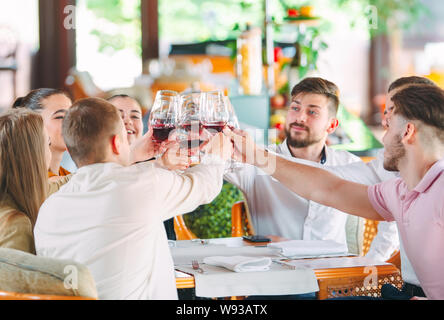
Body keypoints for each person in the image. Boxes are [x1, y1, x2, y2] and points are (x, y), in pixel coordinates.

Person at [230, 84, 444, 299]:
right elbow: (329, 188)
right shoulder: (397, 191)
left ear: (407, 132)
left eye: (388, 126)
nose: (384, 137)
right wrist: (255, 155)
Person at [34, 97, 233, 300]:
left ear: (70, 148)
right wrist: (217, 156)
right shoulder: (144, 185)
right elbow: (205, 186)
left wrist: (151, 161)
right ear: (117, 143)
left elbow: (110, 179)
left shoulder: (49, 208)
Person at [225, 77, 396, 261]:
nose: (300, 117)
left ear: (331, 125)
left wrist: (374, 260)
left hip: (333, 281)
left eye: (312, 112)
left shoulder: (347, 163)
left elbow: (393, 208)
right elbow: (215, 164)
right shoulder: (254, 160)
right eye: (295, 108)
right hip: (277, 278)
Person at [108, 94, 190, 240]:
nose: (127, 121)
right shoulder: (100, 167)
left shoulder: (162, 161)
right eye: (119, 116)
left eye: (135, 116)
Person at [0, 109, 69, 254]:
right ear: (35, 156)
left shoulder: (14, 191)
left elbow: (65, 182)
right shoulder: (16, 224)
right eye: (48, 144)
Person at [13, 89, 73, 179]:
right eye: (60, 116)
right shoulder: (28, 182)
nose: (73, 122)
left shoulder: (67, 177)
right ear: (32, 125)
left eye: (73, 115)